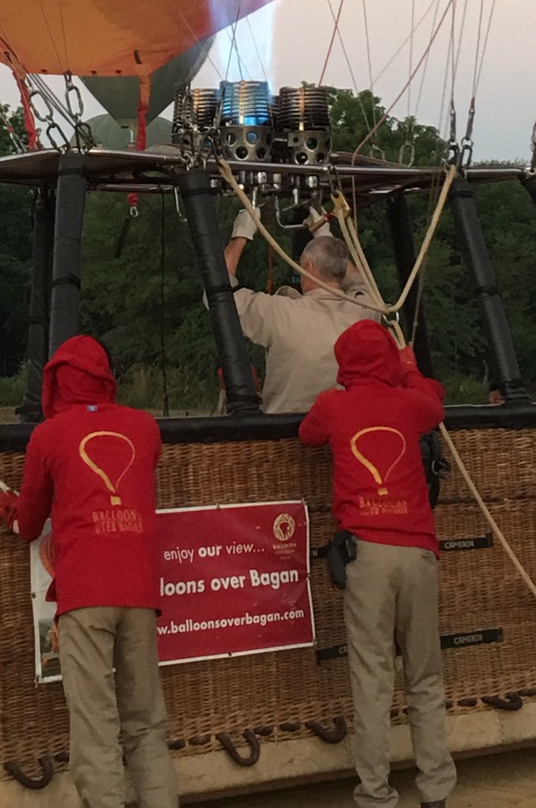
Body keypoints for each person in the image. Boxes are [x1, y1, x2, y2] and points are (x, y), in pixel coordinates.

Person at [0, 335, 178, 808]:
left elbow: (30, 524)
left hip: (84, 594)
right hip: (139, 590)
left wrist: (7, 507)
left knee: (96, 727)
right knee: (145, 722)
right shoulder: (145, 427)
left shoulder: (48, 436)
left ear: (54, 382)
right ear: (106, 377)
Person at [300, 322, 455, 808]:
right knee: (425, 677)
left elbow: (307, 436)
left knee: (372, 680)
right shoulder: (408, 405)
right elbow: (435, 401)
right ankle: (435, 791)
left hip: (365, 553)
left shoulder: (332, 405)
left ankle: (375, 794)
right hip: (416, 551)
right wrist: (407, 368)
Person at [222, 203, 376, 412]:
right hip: (342, 429)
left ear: (309, 267)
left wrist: (241, 235)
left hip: (284, 436)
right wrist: (324, 235)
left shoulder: (278, 312)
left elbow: (218, 295)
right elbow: (359, 282)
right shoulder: (364, 311)